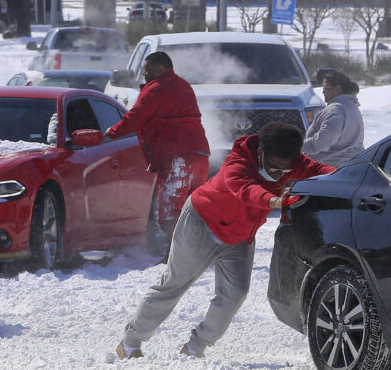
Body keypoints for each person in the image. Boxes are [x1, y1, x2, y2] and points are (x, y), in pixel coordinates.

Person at [115, 122, 335, 360]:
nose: (278, 174)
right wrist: (272, 201)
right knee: (174, 284)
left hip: (239, 236)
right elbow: (244, 188)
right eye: (274, 168)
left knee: (236, 293)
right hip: (201, 223)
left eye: (285, 170)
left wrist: (349, 175)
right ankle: (130, 342)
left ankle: (195, 347)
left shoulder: (293, 162)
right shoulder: (237, 163)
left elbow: (320, 169)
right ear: (261, 152)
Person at [104, 51, 210, 263]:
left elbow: (136, 116)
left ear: (161, 69)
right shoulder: (184, 85)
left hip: (177, 155)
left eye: (147, 69)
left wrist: (112, 133)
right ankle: (198, 253)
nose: (144, 74)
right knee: (194, 207)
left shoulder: (157, 89)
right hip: (200, 154)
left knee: (172, 208)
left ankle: (174, 255)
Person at [302, 71, 365, 168]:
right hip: (350, 167)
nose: (323, 92)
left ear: (338, 89)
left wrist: (297, 146)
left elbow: (321, 143)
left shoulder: (336, 110)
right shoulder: (351, 106)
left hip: (332, 171)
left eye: (326, 88)